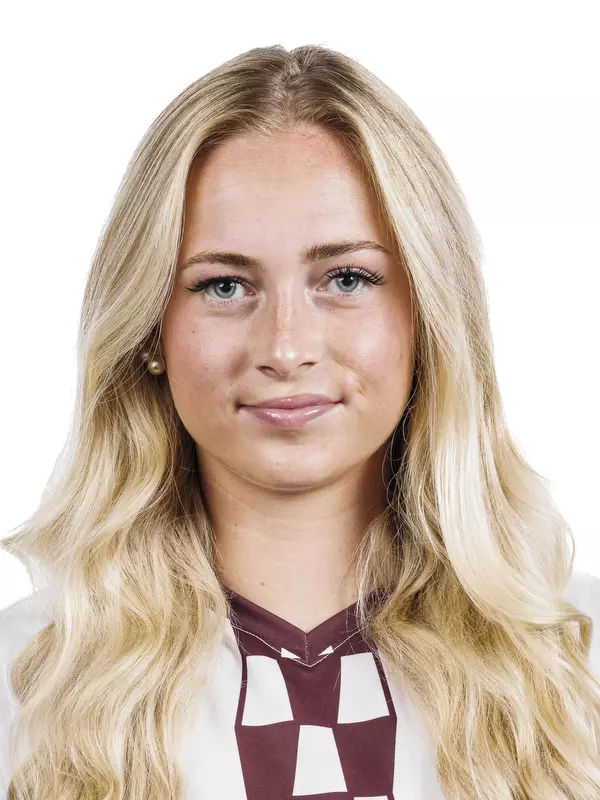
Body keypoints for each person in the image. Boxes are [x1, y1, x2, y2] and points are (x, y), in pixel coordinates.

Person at [1, 43, 599, 800]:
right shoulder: (26, 681)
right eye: (223, 285)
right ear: (150, 328)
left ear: (428, 314)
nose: (285, 347)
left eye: (346, 278)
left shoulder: (576, 655)